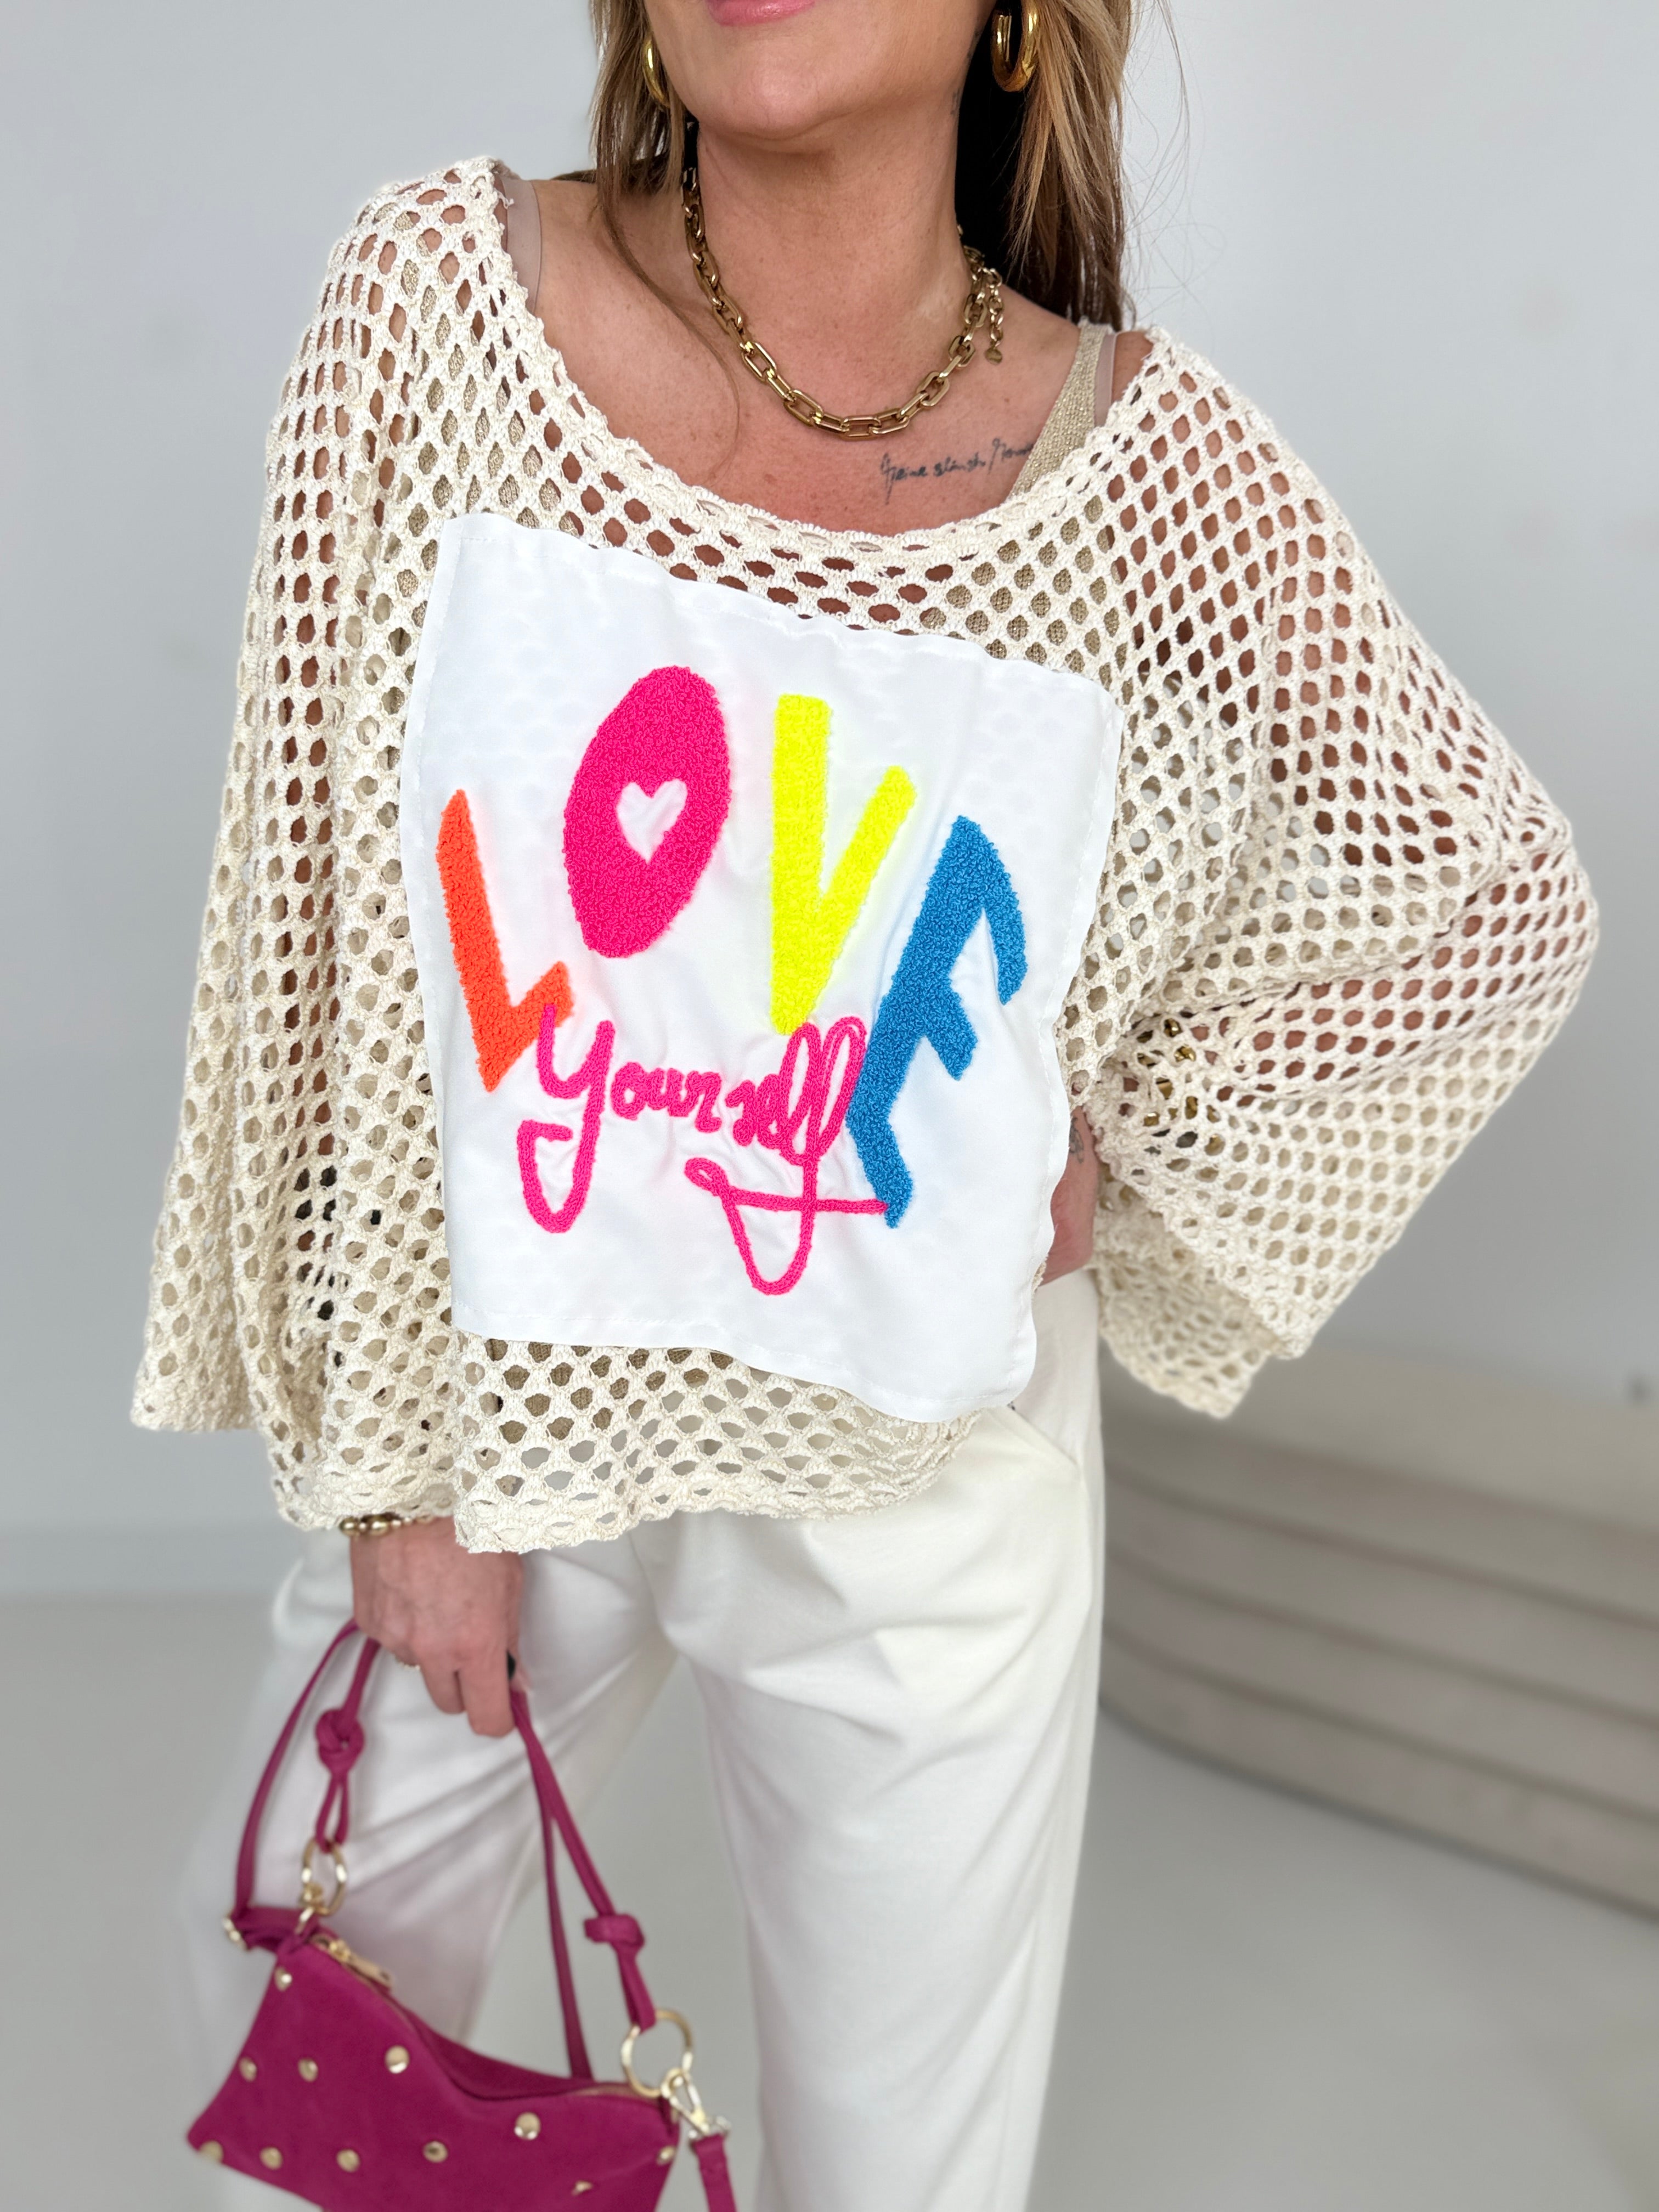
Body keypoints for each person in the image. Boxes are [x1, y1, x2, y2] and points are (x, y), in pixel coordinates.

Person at [135, 2, 1596, 2207]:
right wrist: (399, 1474)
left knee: (902, 2181)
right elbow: (330, 918)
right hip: (514, 1411)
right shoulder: (448, 299)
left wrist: (1119, 1156)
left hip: (927, 1472)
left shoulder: (1139, 461)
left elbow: (1492, 893)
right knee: (278, 2018)